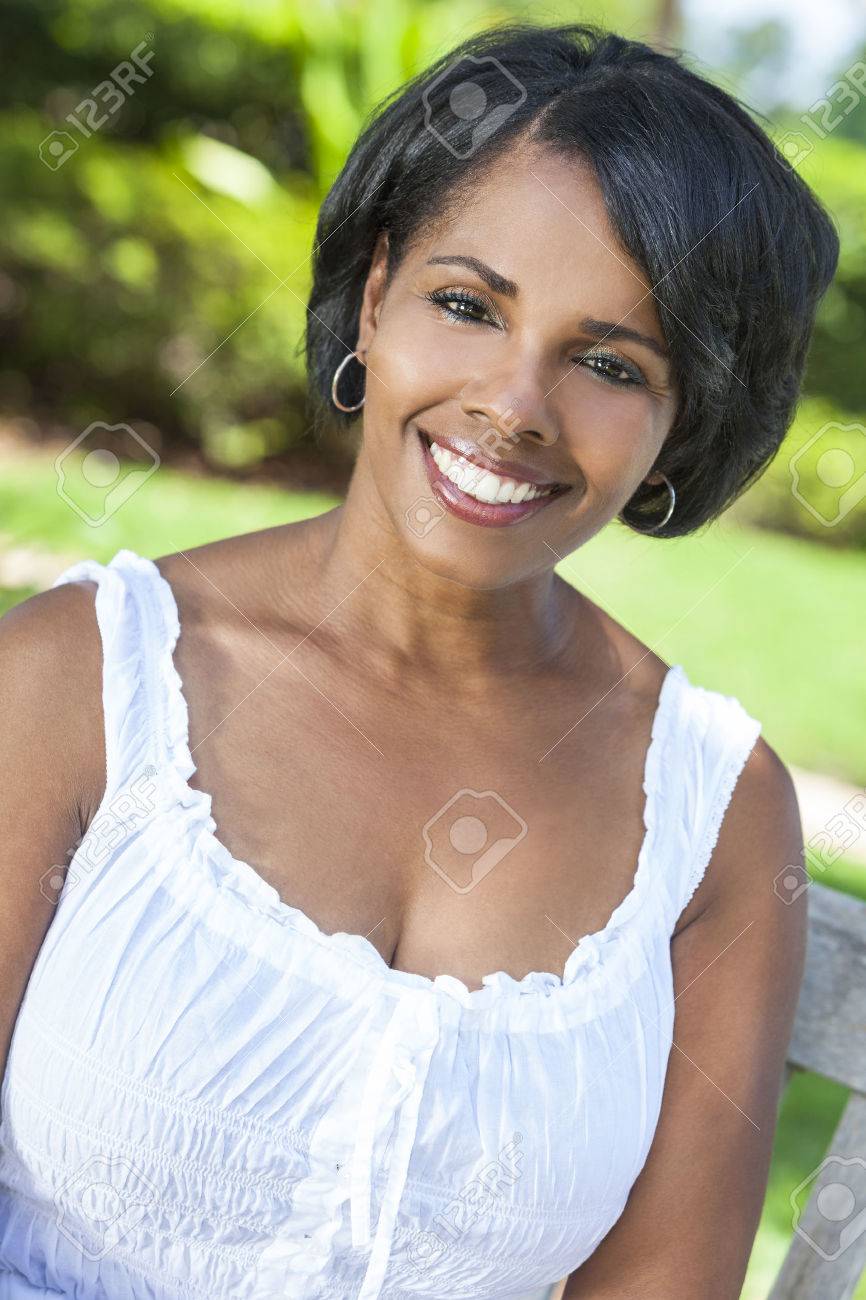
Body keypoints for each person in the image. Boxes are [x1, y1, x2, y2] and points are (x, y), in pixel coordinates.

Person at [0, 18, 838, 1300]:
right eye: (467, 305)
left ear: (680, 423)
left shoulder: (714, 816)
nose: (514, 407)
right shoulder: (81, 682)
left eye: (610, 363)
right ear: (376, 295)